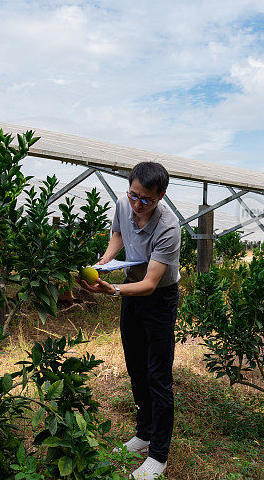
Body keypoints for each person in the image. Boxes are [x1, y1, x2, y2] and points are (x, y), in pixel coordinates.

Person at [78, 161, 181, 480]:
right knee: (136, 366)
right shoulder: (125, 204)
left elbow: (150, 283)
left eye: (146, 200)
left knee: (158, 375)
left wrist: (114, 290)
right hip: (128, 293)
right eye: (133, 195)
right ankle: (144, 433)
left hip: (158, 298)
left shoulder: (169, 227)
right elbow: (118, 235)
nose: (137, 205)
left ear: (160, 195)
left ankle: (158, 456)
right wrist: (104, 262)